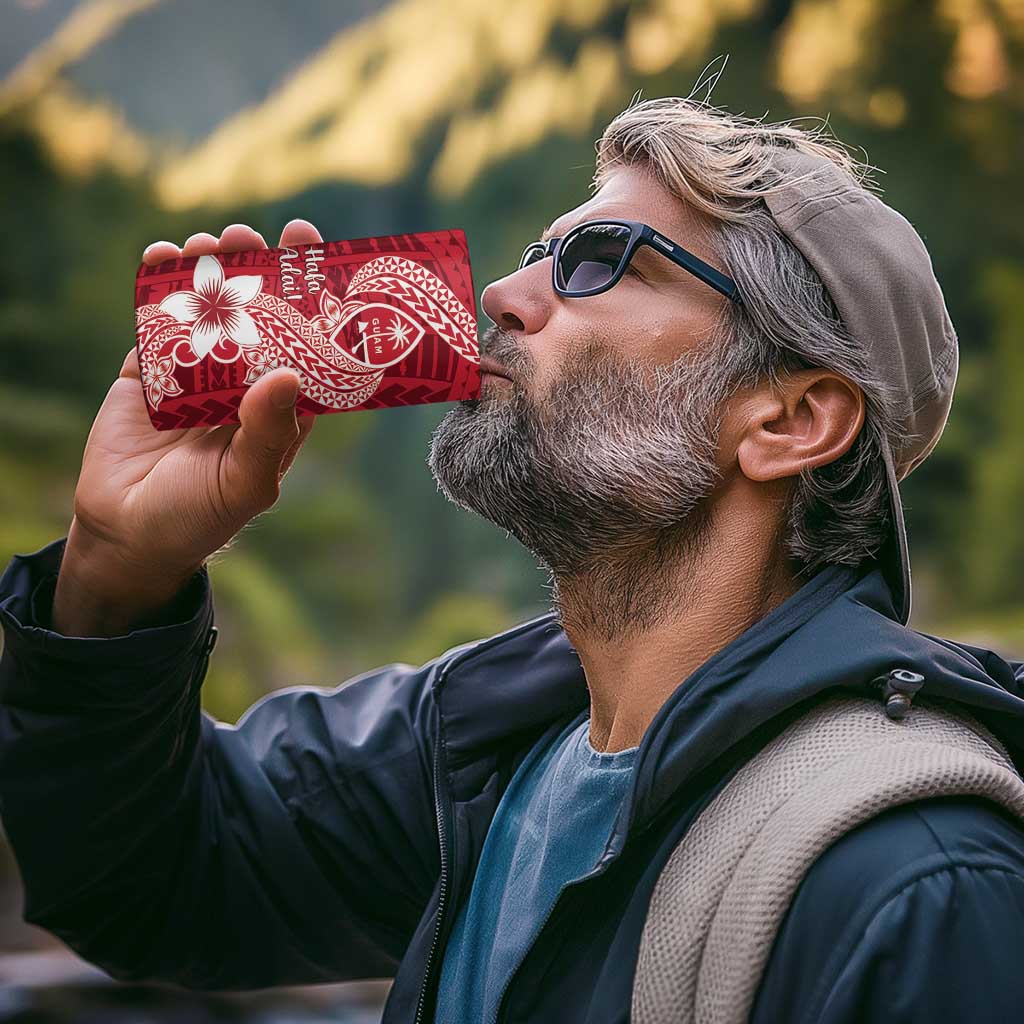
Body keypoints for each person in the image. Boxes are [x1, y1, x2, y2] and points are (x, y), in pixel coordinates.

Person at [2, 94, 1024, 1024]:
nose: (502, 291)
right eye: (541, 251)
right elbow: (149, 880)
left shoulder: (918, 884)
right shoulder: (480, 748)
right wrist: (115, 573)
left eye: (600, 261)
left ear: (790, 419)